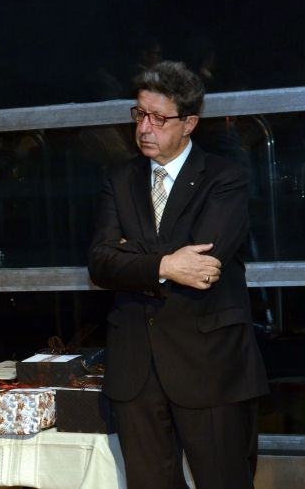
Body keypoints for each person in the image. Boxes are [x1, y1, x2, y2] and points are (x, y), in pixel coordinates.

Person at [88, 61, 268, 489]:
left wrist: (132, 253)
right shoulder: (119, 179)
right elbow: (100, 263)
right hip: (136, 370)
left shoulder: (226, 178)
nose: (144, 128)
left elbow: (204, 263)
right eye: (139, 114)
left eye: (158, 118)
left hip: (210, 365)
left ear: (189, 123)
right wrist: (165, 265)